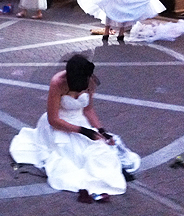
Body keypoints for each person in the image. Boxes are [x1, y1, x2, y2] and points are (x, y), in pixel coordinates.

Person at [9, 55, 128, 196]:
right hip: (59, 124)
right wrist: (83, 132)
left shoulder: (90, 80)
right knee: (72, 157)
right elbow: (53, 119)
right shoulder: (57, 83)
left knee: (101, 148)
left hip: (80, 120)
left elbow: (88, 110)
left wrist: (101, 131)